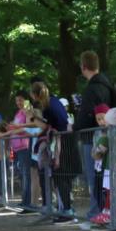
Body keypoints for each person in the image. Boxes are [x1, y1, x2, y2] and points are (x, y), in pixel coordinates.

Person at [75, 50, 116, 221]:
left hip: (93, 138)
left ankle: (96, 212)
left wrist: (75, 126)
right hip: (104, 136)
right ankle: (104, 213)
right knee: (104, 176)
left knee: (95, 177)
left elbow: (86, 116)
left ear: (83, 67)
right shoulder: (108, 86)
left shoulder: (92, 89)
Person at [31, 81, 80, 222]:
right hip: (66, 140)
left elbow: (46, 126)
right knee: (62, 177)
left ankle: (67, 211)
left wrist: (33, 118)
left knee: (60, 177)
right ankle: (66, 208)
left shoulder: (48, 106)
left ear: (35, 95)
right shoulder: (54, 101)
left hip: (62, 142)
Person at [90, 104, 116, 226]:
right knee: (109, 192)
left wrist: (102, 139)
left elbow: (98, 152)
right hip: (109, 167)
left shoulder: (115, 133)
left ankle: (112, 218)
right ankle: (109, 216)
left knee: (113, 193)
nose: (103, 123)